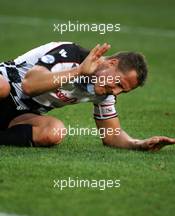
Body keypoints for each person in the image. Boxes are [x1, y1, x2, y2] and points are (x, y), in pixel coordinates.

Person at [0, 41, 174, 150]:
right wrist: (79, 71)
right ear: (111, 63)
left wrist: (140, 144)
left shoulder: (105, 91)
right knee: (3, 87)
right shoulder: (70, 54)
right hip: (5, 86)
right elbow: (30, 85)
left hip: (18, 114)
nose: (115, 92)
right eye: (119, 84)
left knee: (54, 131)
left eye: (123, 91)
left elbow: (111, 135)